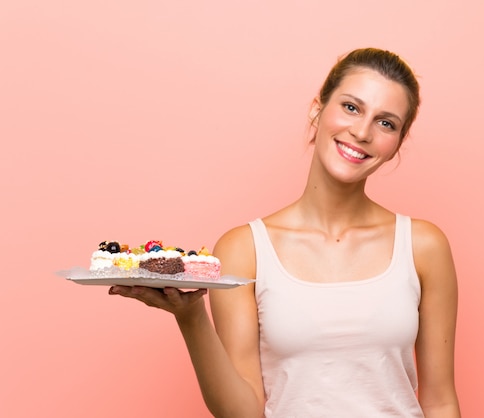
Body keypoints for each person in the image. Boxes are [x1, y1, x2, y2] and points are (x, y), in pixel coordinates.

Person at [109, 47, 461, 418]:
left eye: (386, 123)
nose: (361, 131)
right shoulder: (244, 249)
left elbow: (439, 400)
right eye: (351, 107)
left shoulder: (424, 246)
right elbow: (243, 412)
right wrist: (191, 317)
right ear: (317, 109)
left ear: (396, 146)